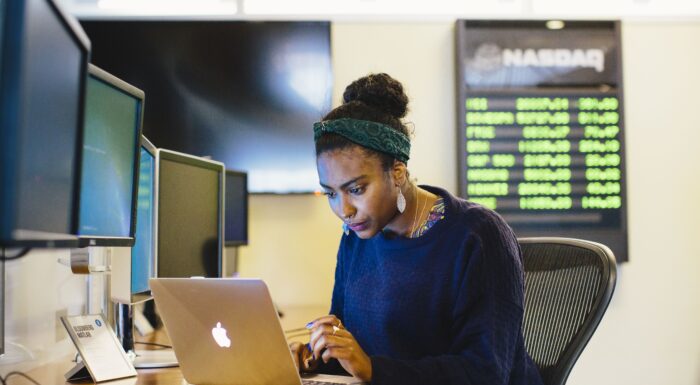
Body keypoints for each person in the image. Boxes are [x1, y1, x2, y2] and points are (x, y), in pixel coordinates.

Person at [290, 73, 543, 385]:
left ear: (397, 172)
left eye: (356, 189)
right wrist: (317, 356)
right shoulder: (357, 237)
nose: (344, 210)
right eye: (330, 193)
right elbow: (349, 348)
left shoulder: (478, 236)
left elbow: (486, 373)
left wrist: (372, 368)